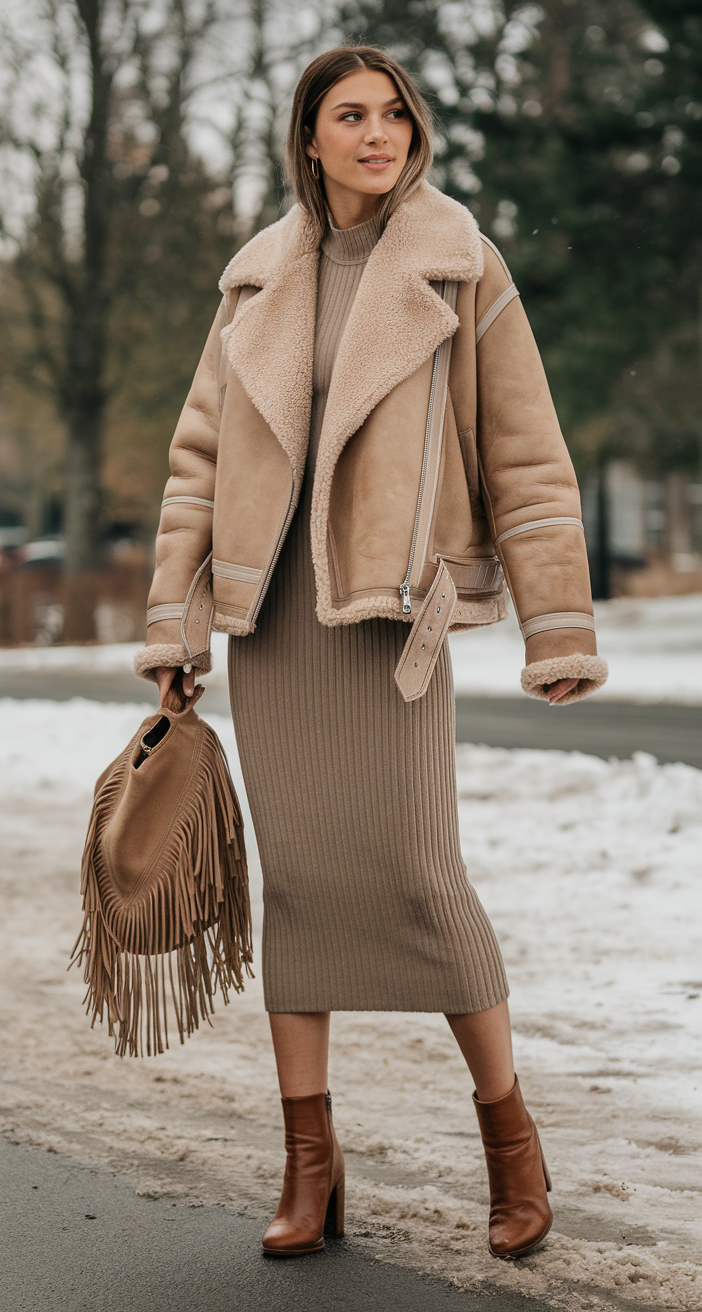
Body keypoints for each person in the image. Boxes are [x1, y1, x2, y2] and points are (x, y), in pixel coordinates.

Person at [135, 45, 607, 1260]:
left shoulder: (457, 267)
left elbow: (527, 451)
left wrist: (558, 624)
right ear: (309, 138)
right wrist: (177, 621)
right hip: (275, 623)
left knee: (416, 876)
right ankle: (310, 1164)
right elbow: (198, 465)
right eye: (351, 114)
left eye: (395, 112)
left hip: (395, 617)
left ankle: (510, 1139)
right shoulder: (253, 286)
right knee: (297, 886)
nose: (378, 131)